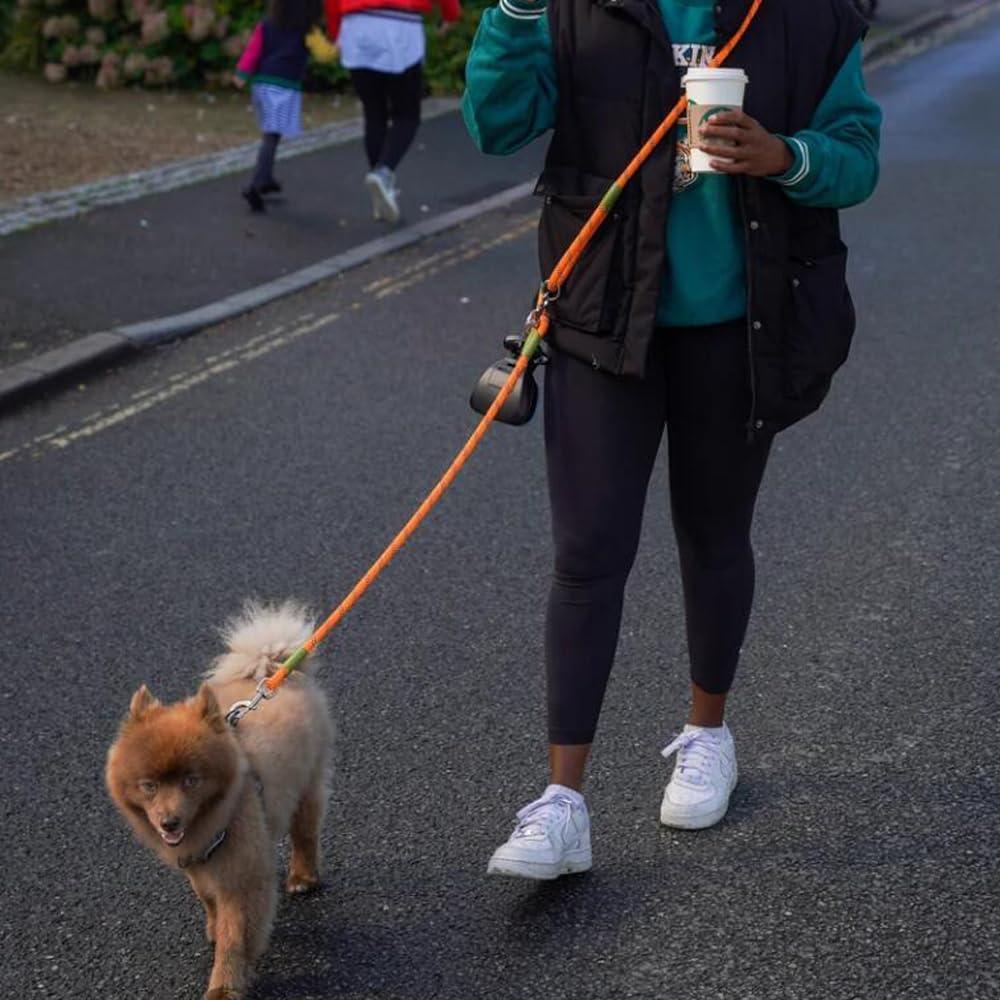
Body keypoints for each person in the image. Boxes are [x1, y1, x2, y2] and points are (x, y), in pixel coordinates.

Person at [461, 0, 882, 880]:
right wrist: (514, 10)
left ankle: (707, 734)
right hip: (601, 318)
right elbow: (496, 123)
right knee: (586, 554)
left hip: (741, 325)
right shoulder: (573, 8)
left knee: (715, 532)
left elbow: (856, 154)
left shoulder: (808, 17)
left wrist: (786, 156)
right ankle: (563, 805)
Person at [324, 0, 461, 223]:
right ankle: (383, 172)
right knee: (407, 115)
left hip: (355, 24)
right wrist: (450, 15)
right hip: (400, 23)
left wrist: (335, 29)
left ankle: (380, 187)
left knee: (374, 113)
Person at [235, 0, 334, 212]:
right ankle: (257, 183)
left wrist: (242, 74)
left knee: (271, 133)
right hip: (284, 87)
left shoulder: (267, 24)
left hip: (261, 85)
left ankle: (267, 178)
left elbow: (253, 50)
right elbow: (324, 55)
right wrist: (340, 45)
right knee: (272, 135)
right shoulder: (308, 30)